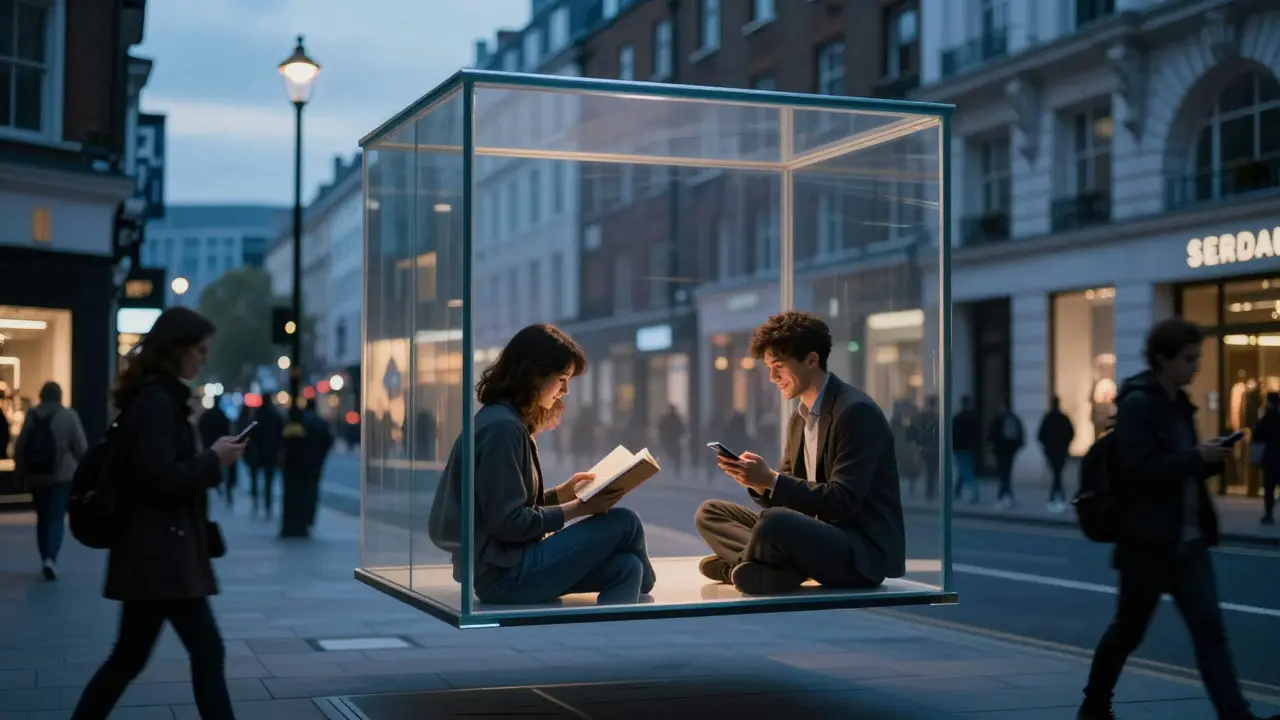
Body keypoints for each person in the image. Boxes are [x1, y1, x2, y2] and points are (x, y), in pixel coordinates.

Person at [1078, 319, 1277, 720]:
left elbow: (1179, 467)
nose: (1196, 366)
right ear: (1163, 359)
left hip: (1187, 543)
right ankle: (1095, 704)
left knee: (1211, 634)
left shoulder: (1179, 404)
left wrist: (1208, 459)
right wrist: (1195, 457)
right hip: (1147, 543)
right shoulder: (1138, 404)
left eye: (1197, 357)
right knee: (1127, 631)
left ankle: (1236, 716)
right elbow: (1137, 470)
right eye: (1189, 358)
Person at [71, 307, 247, 720]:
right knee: (205, 653)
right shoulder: (157, 402)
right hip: (162, 554)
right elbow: (156, 477)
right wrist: (213, 460)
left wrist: (209, 457)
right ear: (178, 350)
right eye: (200, 350)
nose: (204, 359)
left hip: (154, 553)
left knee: (130, 658)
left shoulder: (156, 398)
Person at [428, 324, 656, 605]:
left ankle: (610, 637)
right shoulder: (502, 428)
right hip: (505, 575)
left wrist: (563, 494)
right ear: (534, 375)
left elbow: (503, 507)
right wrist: (580, 509)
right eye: (562, 379)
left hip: (509, 567)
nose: (566, 391)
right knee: (626, 522)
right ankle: (649, 582)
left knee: (626, 567)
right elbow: (508, 523)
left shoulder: (505, 421)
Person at [694, 311, 906, 596]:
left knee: (774, 523)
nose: (771, 377)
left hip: (857, 551)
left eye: (778, 366)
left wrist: (771, 480)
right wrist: (758, 482)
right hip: (815, 537)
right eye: (769, 367)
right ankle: (765, 568)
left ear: (811, 359)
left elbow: (843, 502)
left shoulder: (856, 412)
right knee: (710, 512)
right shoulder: (799, 419)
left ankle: (741, 566)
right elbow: (790, 490)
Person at [13, 381, 88, 580]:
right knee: (56, 518)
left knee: (42, 518)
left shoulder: (32, 415)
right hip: (62, 476)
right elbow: (81, 448)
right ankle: (51, 559)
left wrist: (20, 472)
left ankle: (44, 556)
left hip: (36, 476)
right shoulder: (69, 416)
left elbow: (20, 446)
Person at [1037, 395, 1075, 513]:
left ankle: (1055, 496)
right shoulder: (1063, 418)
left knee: (1056, 473)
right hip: (1061, 450)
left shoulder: (1048, 418)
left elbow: (1040, 435)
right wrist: (1066, 444)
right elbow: (1071, 433)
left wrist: (1046, 446)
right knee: (1057, 473)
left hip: (1052, 450)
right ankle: (1058, 496)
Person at [1250, 392, 1280, 525]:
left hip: (1270, 457)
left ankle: (1268, 514)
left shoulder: (1266, 418)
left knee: (1269, 488)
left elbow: (1257, 436)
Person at [987, 402, 1024, 509]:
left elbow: (992, 434)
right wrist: (1017, 447)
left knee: (1003, 473)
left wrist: (991, 446)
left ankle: (1003, 495)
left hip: (1001, 450)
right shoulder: (1014, 418)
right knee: (1007, 472)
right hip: (1011, 450)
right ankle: (1007, 494)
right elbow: (1021, 434)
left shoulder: (998, 419)